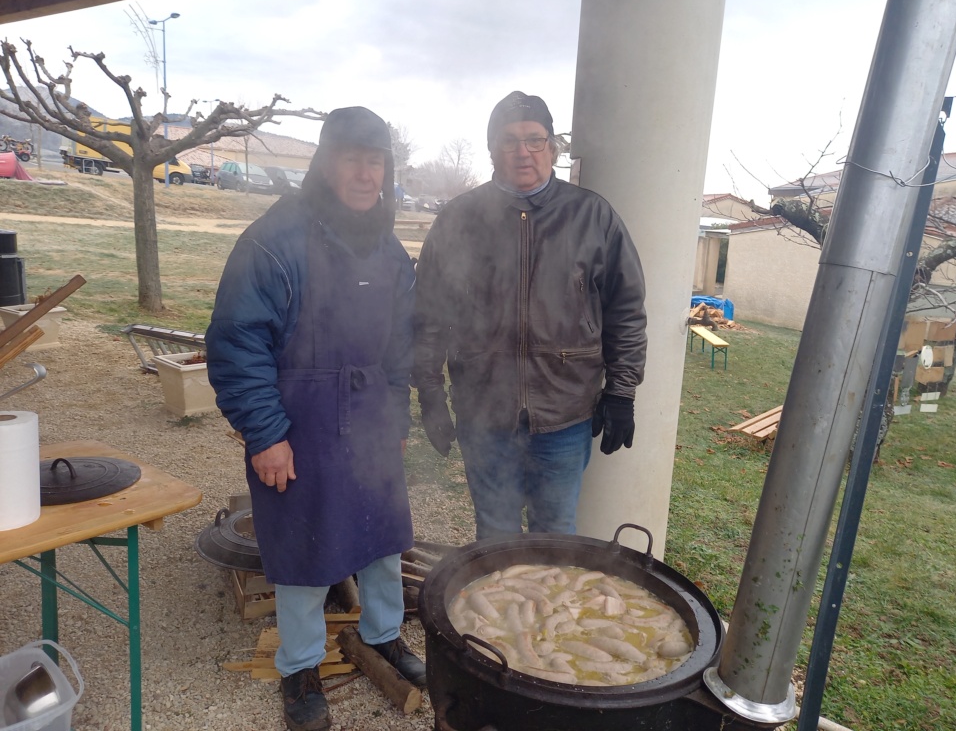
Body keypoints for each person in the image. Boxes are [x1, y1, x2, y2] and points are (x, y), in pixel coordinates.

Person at [206, 107, 424, 731]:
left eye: (375, 159)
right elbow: (237, 341)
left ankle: (383, 635)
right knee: (302, 540)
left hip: (372, 409)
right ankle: (299, 665)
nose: (364, 172)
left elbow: (401, 345)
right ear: (326, 163)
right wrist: (266, 433)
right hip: (298, 415)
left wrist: (398, 409)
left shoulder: (389, 249)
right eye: (352, 157)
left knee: (384, 535)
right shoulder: (274, 241)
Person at [413, 90, 647, 541]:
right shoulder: (459, 218)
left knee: (555, 535)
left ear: (553, 148)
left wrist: (622, 392)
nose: (522, 151)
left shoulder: (592, 216)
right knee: (495, 535)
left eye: (534, 139)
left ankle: (544, 613)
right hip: (483, 413)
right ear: (491, 149)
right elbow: (428, 315)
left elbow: (627, 311)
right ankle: (498, 614)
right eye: (508, 140)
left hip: (565, 413)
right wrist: (429, 394)